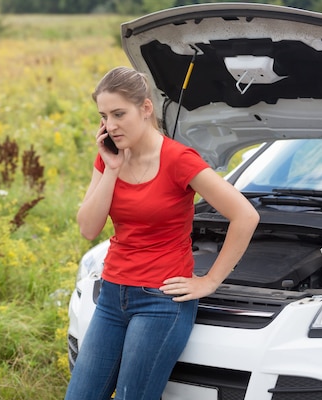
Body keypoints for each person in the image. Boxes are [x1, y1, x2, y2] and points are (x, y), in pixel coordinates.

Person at [65, 66, 259, 400]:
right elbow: (88, 228)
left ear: (145, 108)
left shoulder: (178, 159)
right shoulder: (109, 157)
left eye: (118, 114)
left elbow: (245, 215)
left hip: (160, 303)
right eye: (103, 116)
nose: (110, 126)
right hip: (112, 296)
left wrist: (209, 281)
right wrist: (111, 170)